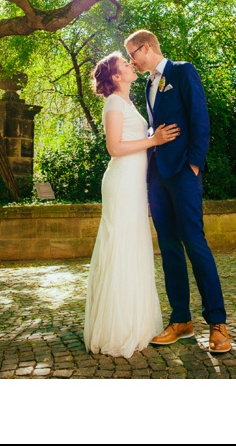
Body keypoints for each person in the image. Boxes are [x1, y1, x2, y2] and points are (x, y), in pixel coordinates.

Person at [124, 30, 231, 353]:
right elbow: (156, 125)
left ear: (146, 48)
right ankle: (181, 320)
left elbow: (200, 117)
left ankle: (218, 324)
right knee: (169, 247)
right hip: (157, 176)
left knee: (195, 243)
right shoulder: (147, 84)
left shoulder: (183, 71)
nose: (132, 61)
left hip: (183, 173)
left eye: (133, 55)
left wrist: (194, 166)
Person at [84, 51, 181, 358]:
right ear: (116, 76)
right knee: (121, 246)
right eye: (125, 64)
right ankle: (116, 328)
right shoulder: (113, 103)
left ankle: (133, 322)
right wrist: (154, 140)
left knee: (133, 245)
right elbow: (115, 147)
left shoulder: (127, 103)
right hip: (121, 182)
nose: (130, 65)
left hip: (134, 184)